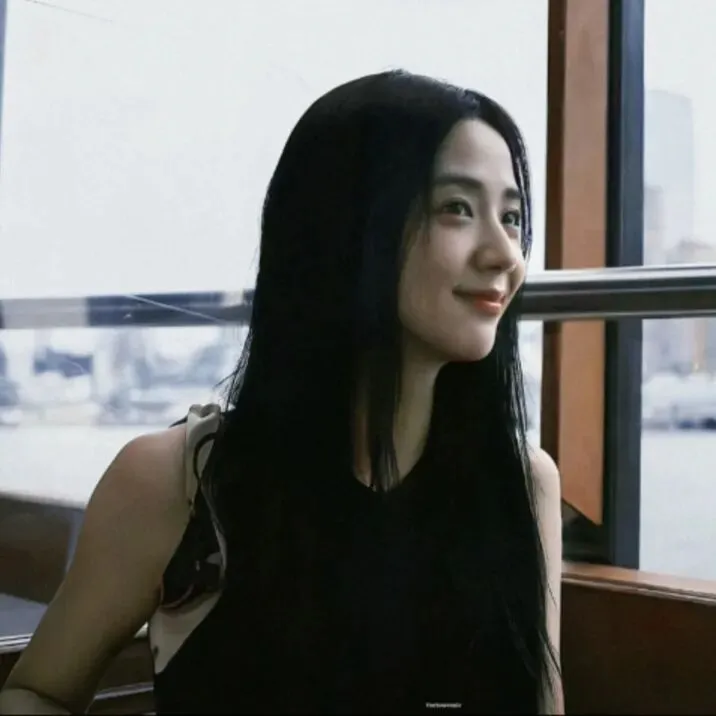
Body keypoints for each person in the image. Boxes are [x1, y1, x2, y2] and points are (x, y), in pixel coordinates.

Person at [0, 69, 564, 714]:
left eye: (512, 217)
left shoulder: (523, 485)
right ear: (347, 224)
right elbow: (36, 692)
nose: (506, 254)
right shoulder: (178, 483)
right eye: (457, 208)